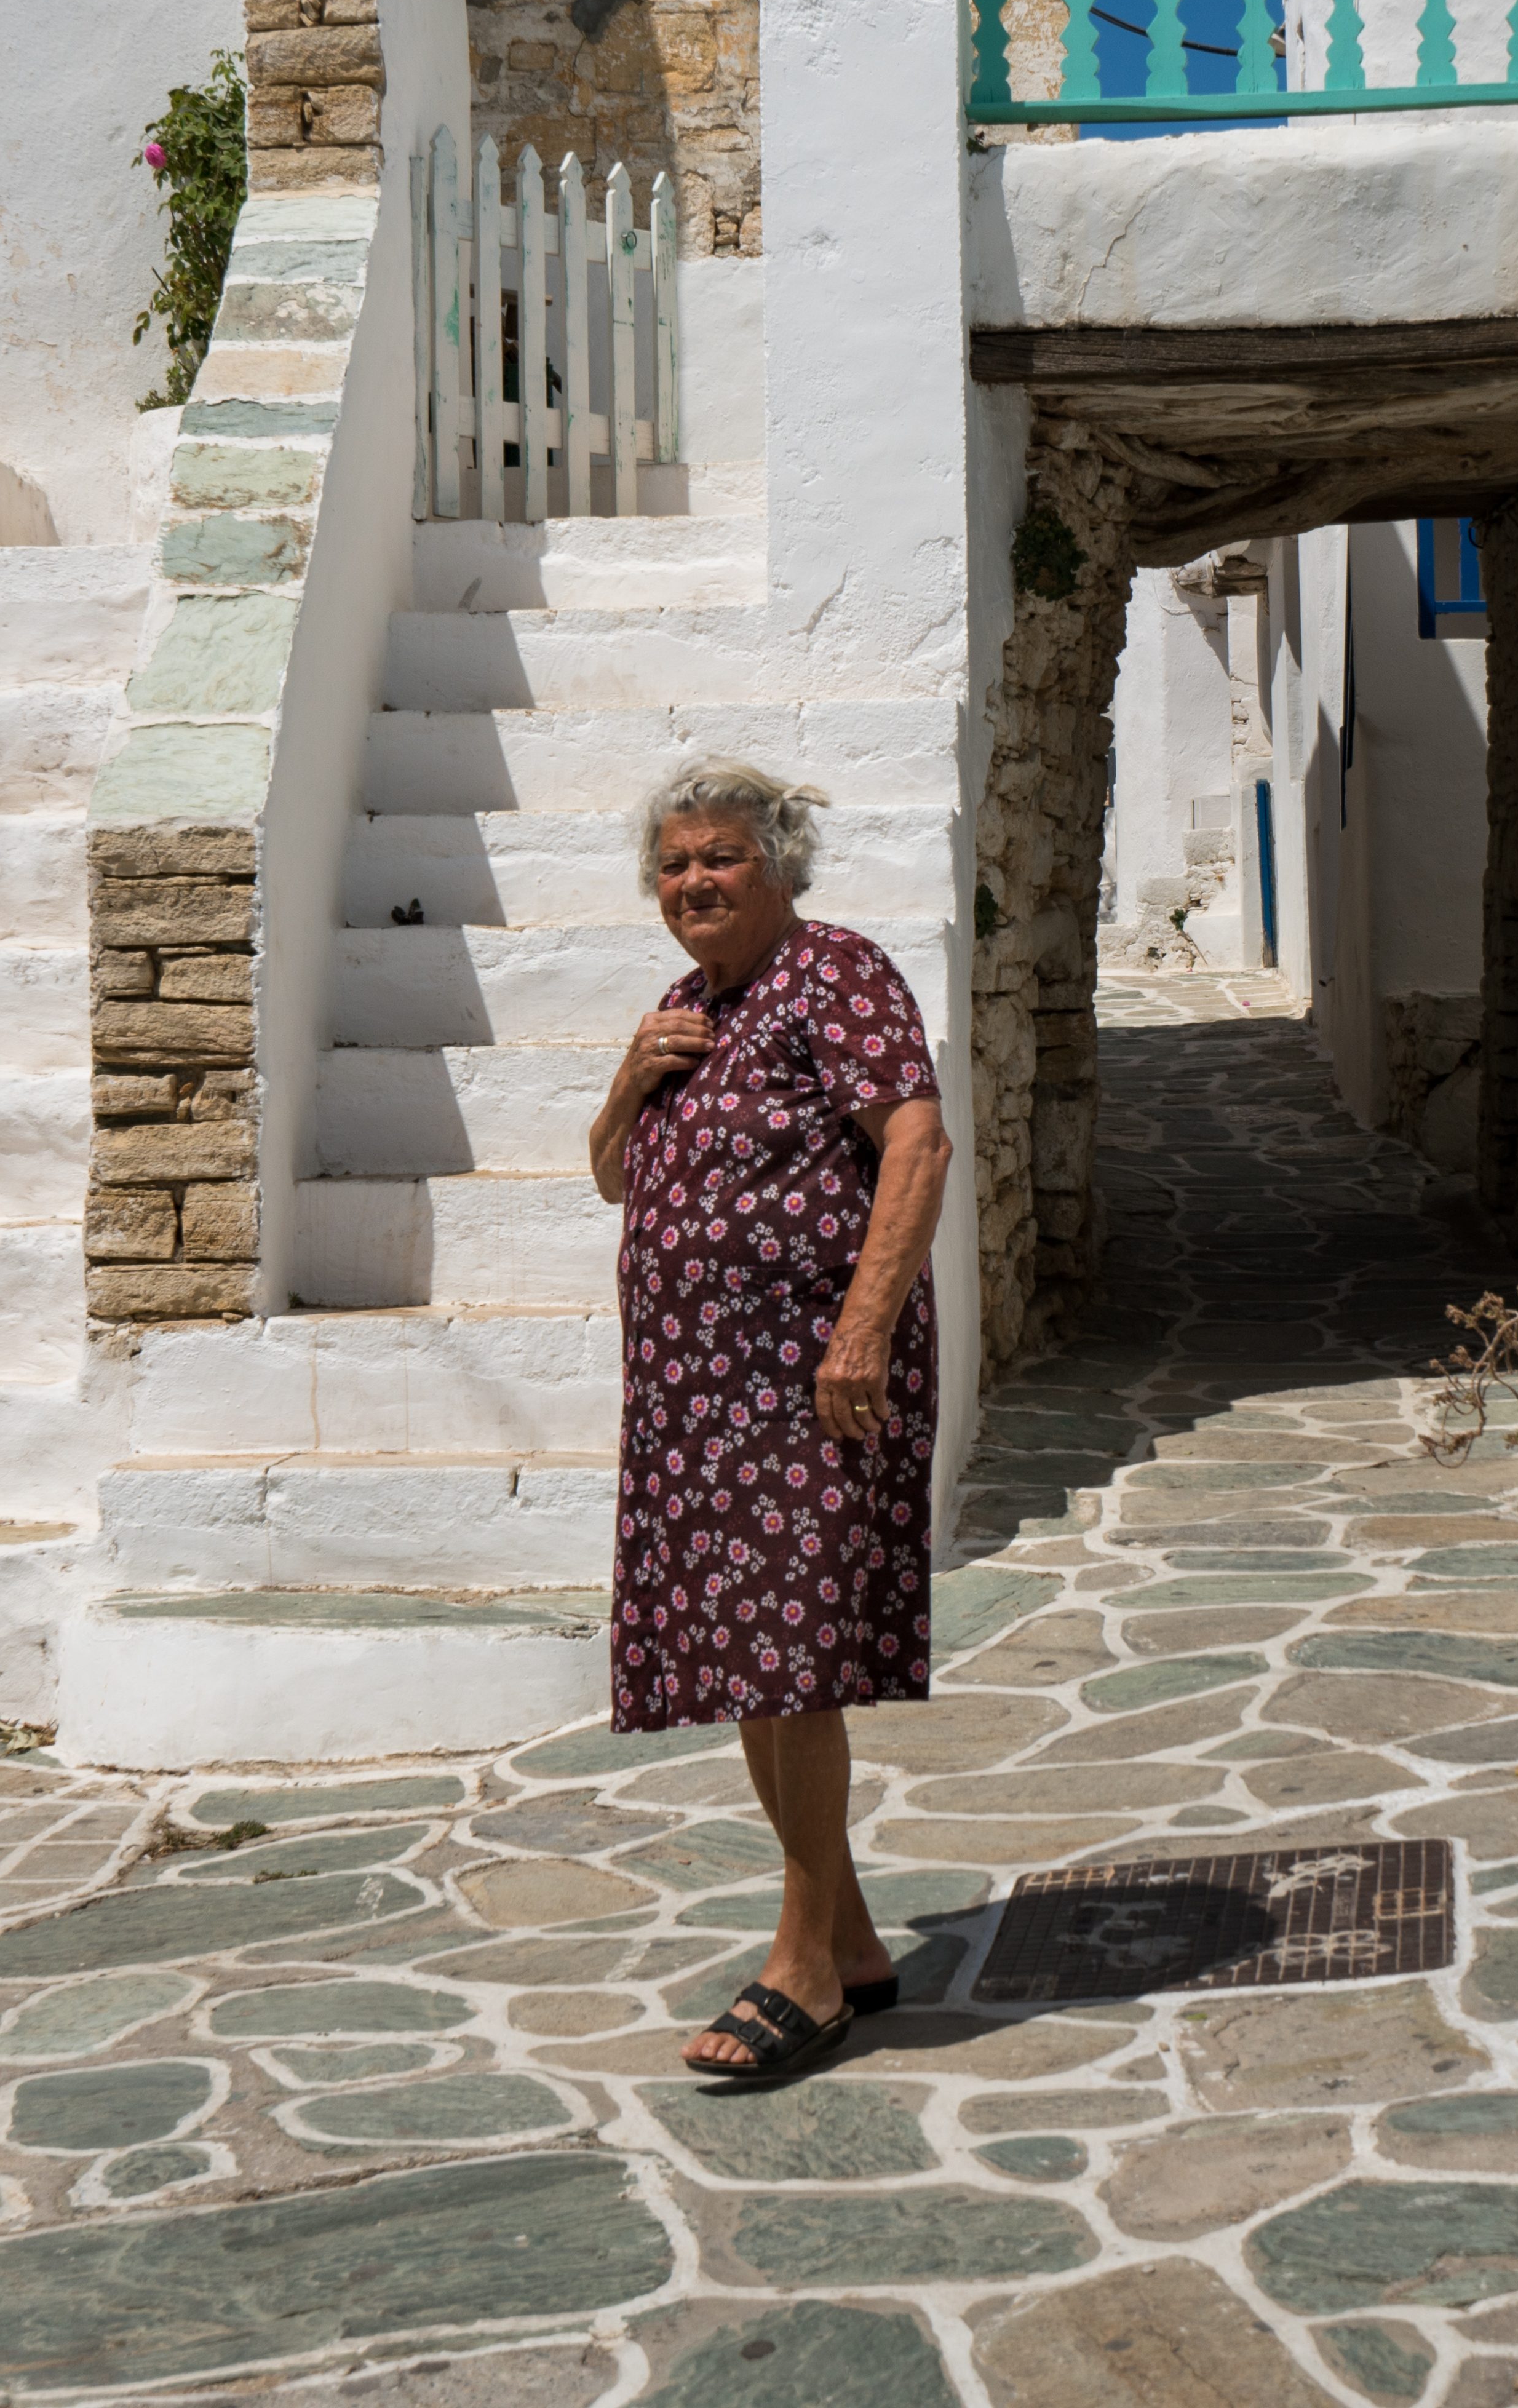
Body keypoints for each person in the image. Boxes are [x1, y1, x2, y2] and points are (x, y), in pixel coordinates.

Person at [586, 758, 956, 2083]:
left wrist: (860, 1330)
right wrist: (630, 1079)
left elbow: (916, 1146)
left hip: (807, 1378)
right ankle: (848, 1940)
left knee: (791, 1662)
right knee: (755, 1660)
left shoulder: (833, 975)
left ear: (779, 865)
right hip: (696, 1398)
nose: (693, 882)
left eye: (721, 857)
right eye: (674, 864)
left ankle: (800, 1966)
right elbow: (617, 1177)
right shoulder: (688, 1008)